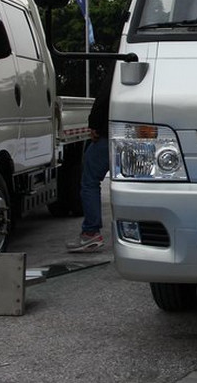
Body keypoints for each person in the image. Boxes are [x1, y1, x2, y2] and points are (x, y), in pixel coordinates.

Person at [66, 63, 114, 253]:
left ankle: (90, 234)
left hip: (109, 133)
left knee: (89, 181)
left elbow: (104, 96)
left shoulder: (120, 61)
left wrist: (94, 124)